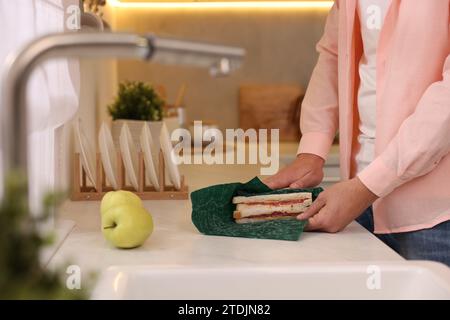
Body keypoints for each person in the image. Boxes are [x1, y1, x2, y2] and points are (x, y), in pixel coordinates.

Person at [265, 0, 450, 266]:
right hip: (357, 201)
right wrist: (312, 151)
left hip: (435, 216)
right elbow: (333, 54)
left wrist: (367, 186)